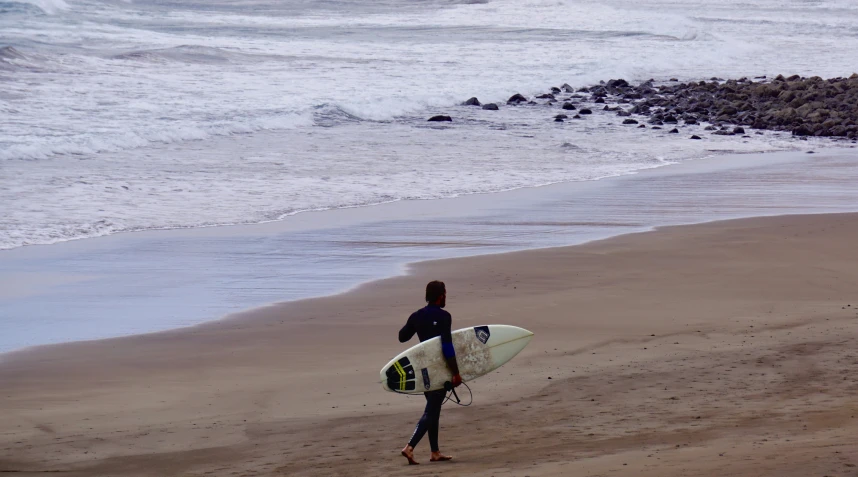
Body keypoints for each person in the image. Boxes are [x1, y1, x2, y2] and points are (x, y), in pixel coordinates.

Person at [398, 280, 462, 465]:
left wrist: (416, 325)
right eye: (445, 294)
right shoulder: (444, 316)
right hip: (439, 369)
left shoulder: (417, 316)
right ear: (440, 295)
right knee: (432, 410)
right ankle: (409, 447)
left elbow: (402, 337)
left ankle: (435, 452)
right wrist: (455, 372)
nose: (445, 297)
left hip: (423, 369)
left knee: (434, 409)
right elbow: (447, 347)